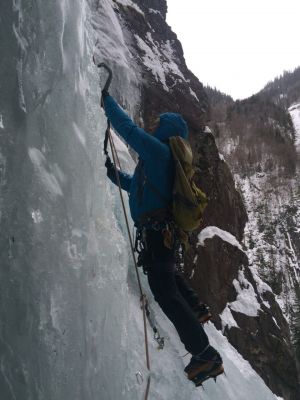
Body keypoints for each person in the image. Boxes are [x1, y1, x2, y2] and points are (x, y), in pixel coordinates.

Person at [102, 91, 224, 385]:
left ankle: (204, 353)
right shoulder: (161, 162)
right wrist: (112, 173)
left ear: (166, 130)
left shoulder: (159, 152)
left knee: (164, 290)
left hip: (158, 234)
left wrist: (105, 101)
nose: (153, 126)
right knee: (167, 280)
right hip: (160, 234)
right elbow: (136, 188)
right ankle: (196, 307)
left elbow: (128, 131)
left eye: (158, 124)